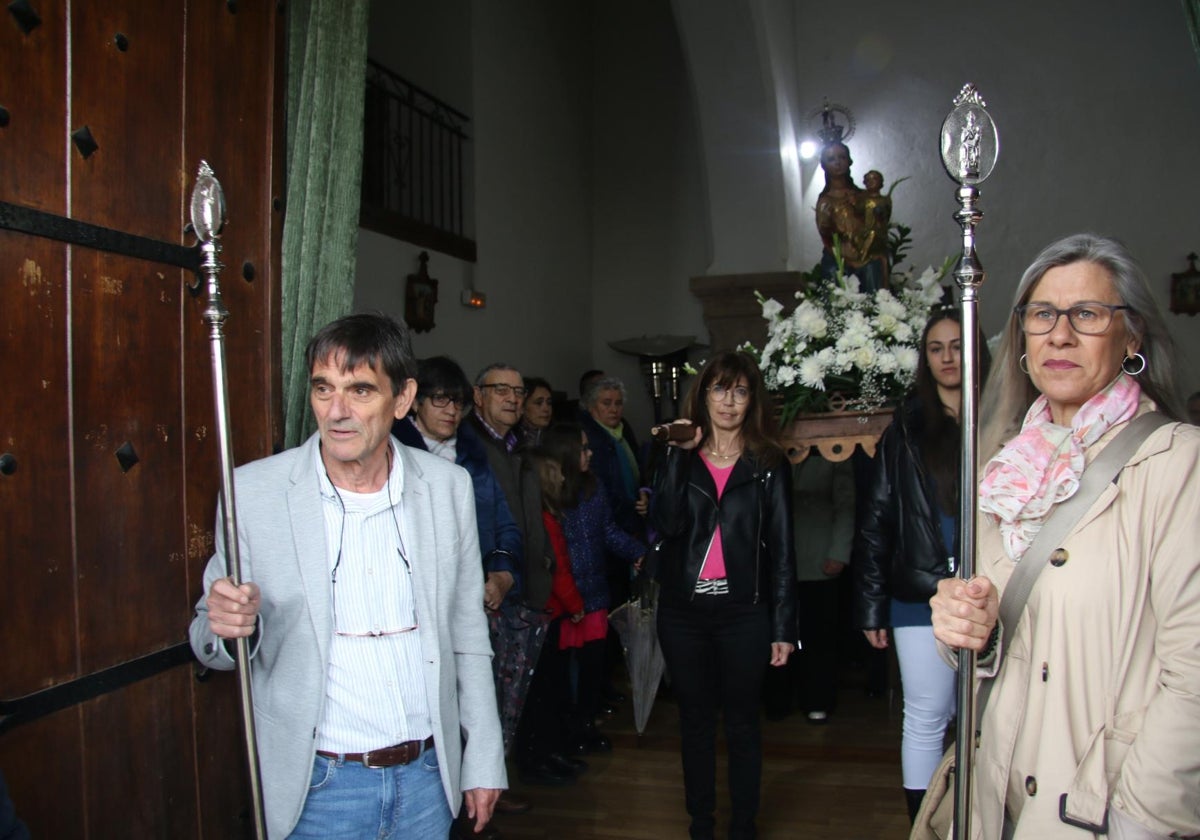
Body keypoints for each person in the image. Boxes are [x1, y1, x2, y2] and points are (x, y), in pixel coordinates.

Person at [188, 313, 505, 839]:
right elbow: (209, 637)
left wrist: (485, 757)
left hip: (428, 778)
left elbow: (468, 635)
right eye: (323, 389)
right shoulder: (253, 494)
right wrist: (227, 627)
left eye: (360, 391)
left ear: (402, 399)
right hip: (316, 787)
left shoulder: (447, 488)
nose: (337, 412)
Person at [931, 233, 1200, 839]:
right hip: (992, 801)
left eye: (1087, 314)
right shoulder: (1004, 473)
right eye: (1042, 315)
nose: (1060, 334)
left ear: (1131, 337)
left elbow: (1195, 673)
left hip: (1096, 812)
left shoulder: (1177, 463)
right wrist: (963, 626)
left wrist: (1139, 818)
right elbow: (998, 641)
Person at [650, 350, 797, 840]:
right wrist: (677, 451)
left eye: (739, 390)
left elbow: (781, 551)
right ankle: (701, 824)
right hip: (684, 612)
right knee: (693, 722)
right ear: (703, 394)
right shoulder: (680, 455)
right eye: (719, 389)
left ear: (751, 398)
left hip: (743, 612)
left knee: (741, 725)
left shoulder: (769, 462)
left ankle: (743, 825)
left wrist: (783, 627)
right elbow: (666, 523)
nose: (729, 402)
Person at [853, 307, 990, 824]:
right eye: (936, 348)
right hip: (919, 590)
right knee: (926, 717)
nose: (949, 357)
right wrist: (870, 608)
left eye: (957, 345)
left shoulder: (1007, 414)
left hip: (991, 586)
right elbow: (877, 519)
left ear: (976, 347)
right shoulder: (906, 428)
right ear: (925, 360)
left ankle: (979, 821)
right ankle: (924, 827)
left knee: (988, 719)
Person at [540, 422, 646, 755]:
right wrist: (570, 599)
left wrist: (637, 551)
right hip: (565, 598)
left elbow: (608, 531)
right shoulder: (549, 494)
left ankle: (585, 727)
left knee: (591, 668)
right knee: (564, 674)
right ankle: (565, 733)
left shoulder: (594, 487)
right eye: (583, 448)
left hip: (595, 593)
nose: (589, 453)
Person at [393, 355, 522, 611]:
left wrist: (503, 573)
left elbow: (505, 523)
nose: (451, 411)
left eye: (458, 402)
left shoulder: (473, 456)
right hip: (413, 600)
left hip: (474, 596)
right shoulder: (392, 455)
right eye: (440, 399)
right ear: (416, 402)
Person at [764, 455, 854, 723]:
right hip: (777, 560)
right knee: (774, 632)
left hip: (817, 556)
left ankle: (818, 700)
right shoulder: (772, 448)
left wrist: (839, 551)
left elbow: (846, 503)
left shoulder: (833, 451)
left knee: (818, 635)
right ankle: (776, 700)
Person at [518, 377, 554, 448]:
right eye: (538, 403)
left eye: (549, 403)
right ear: (522, 407)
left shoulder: (558, 436)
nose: (546, 409)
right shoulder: (510, 437)